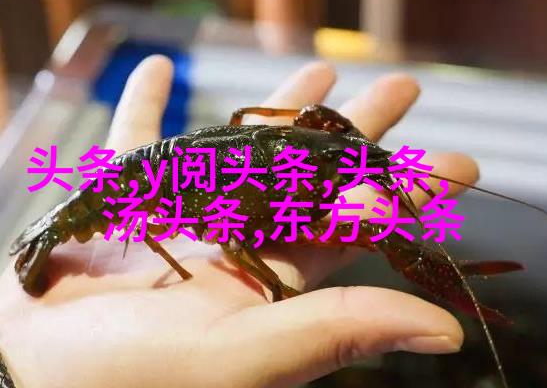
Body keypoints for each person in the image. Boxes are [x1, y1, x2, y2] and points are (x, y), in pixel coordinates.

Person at [0, 56, 478, 388]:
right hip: (103, 202)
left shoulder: (285, 151)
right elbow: (233, 242)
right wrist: (276, 286)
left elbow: (301, 124)